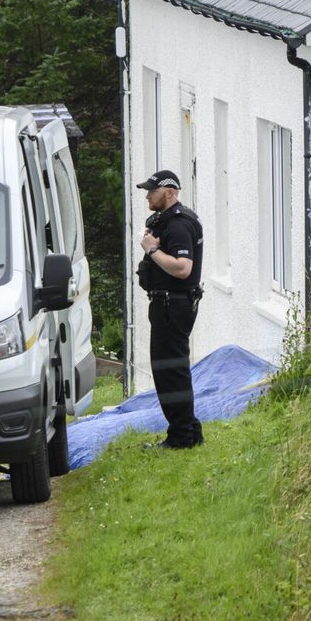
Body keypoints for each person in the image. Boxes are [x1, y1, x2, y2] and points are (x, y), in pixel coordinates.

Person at [136, 169, 203, 448]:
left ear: (171, 192)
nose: (148, 196)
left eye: (153, 191)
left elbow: (183, 268)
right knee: (171, 370)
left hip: (172, 305)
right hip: (168, 305)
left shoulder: (178, 225)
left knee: (170, 371)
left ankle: (181, 436)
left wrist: (152, 250)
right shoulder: (167, 221)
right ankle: (189, 431)